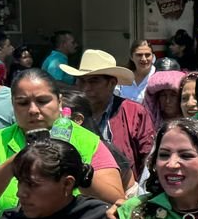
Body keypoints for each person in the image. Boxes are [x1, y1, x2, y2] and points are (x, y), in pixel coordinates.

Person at [0, 69, 125, 219]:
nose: (33, 110)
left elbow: (118, 202)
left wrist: (78, 171)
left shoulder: (88, 141)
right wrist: (17, 162)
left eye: (42, 101)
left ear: (60, 101)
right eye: (22, 103)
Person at [65, 49, 158, 178]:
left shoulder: (134, 113)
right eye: (81, 81)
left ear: (112, 83)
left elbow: (148, 157)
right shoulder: (67, 114)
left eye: (94, 81)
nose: (86, 88)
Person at [142, 68, 187, 135]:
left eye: (173, 95)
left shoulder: (191, 123)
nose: (167, 100)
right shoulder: (147, 125)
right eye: (163, 95)